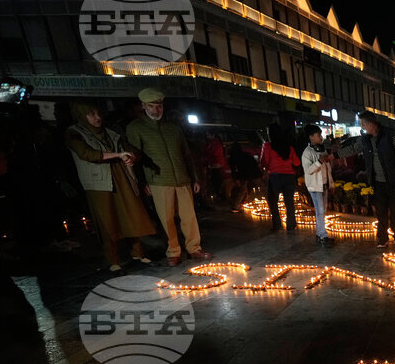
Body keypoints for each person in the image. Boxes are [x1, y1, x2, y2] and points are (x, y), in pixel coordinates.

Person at [65, 102, 156, 271]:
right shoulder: (74, 133)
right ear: (81, 116)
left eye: (98, 113)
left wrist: (131, 157)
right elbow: (87, 154)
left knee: (131, 214)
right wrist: (118, 155)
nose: (97, 118)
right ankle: (113, 260)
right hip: (99, 182)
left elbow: (132, 150)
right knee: (108, 220)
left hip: (122, 177)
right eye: (91, 114)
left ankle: (138, 253)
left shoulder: (111, 133)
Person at [126, 88, 211, 266]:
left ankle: (194, 248)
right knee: (166, 218)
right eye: (151, 106)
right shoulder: (136, 128)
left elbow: (186, 154)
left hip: (182, 178)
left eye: (159, 106)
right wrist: (142, 182)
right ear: (143, 106)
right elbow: (135, 158)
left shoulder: (173, 128)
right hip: (158, 180)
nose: (156, 110)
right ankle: (173, 251)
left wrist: (195, 177)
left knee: (189, 216)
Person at [333, 111, 395, 247]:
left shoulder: (389, 135)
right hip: (377, 182)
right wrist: (334, 155)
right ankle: (382, 239)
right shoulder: (365, 139)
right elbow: (352, 148)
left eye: (363, 124)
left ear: (371, 124)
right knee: (380, 212)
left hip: (393, 181)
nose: (362, 127)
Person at [259, 123, 301, 232]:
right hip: (289, 177)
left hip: (275, 177)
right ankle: (291, 225)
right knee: (289, 202)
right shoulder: (289, 147)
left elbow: (264, 162)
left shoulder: (267, 146)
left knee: (273, 202)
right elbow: (297, 163)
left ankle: (277, 225)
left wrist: (268, 166)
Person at [300, 125, 335, 247]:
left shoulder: (322, 150)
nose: (321, 137)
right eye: (318, 135)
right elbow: (308, 170)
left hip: (323, 185)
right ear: (311, 137)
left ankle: (320, 235)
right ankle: (323, 236)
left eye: (320, 134)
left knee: (323, 211)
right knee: (320, 211)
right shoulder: (307, 153)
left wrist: (331, 183)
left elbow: (328, 168)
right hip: (315, 186)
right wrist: (319, 161)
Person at [228, 142, 261, 212]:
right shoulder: (245, 155)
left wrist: (236, 179)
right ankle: (271, 204)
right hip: (252, 173)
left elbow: (233, 170)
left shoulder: (232, 158)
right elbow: (255, 163)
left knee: (242, 189)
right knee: (259, 187)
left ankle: (236, 206)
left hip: (245, 174)